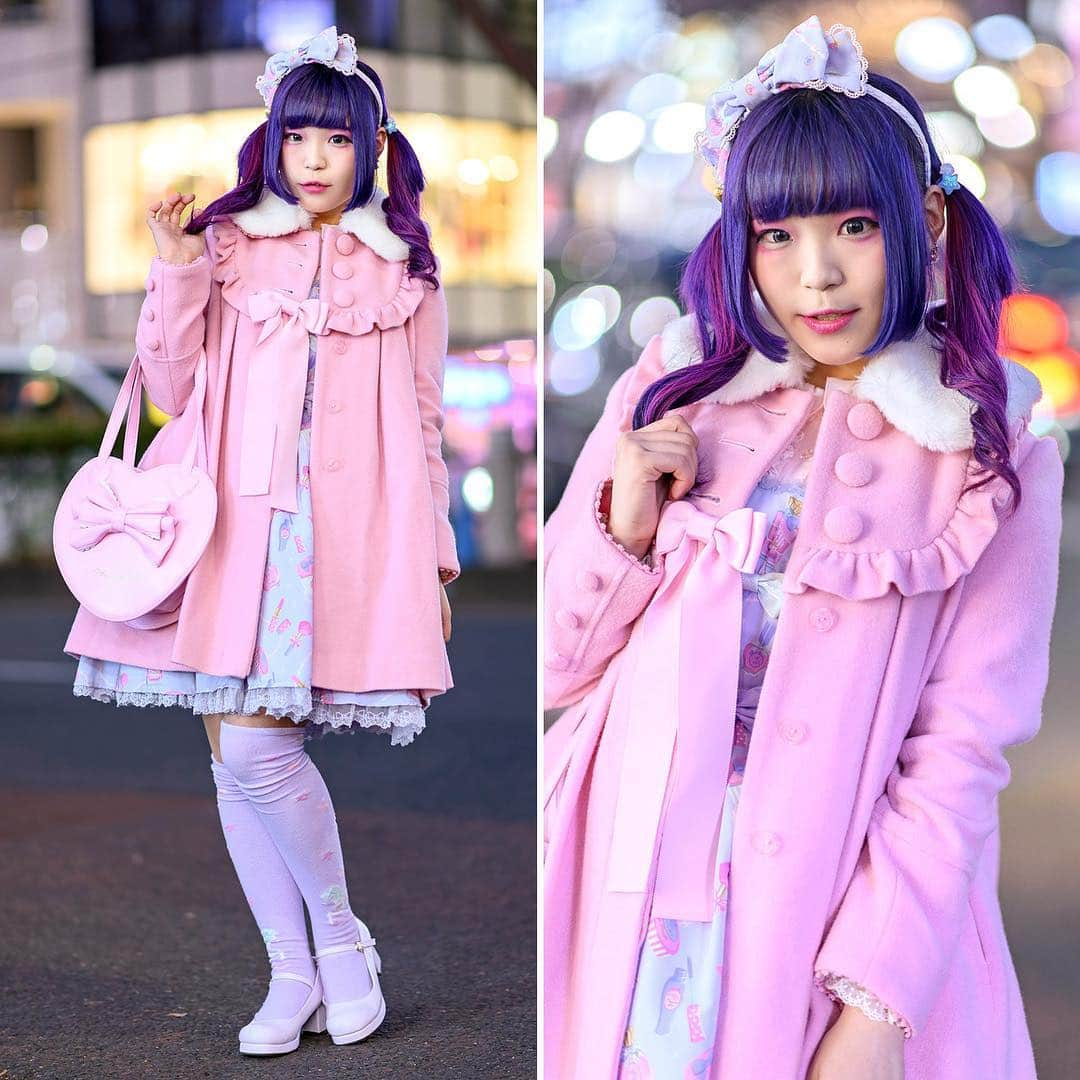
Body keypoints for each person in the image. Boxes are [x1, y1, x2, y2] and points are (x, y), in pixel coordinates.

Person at [543, 16, 1063, 1080]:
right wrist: (626, 519)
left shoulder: (991, 433)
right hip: (625, 889)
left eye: (856, 226)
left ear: (922, 219)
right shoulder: (675, 380)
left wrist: (877, 1001)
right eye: (775, 235)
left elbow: (964, 744)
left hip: (841, 907)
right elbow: (559, 663)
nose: (815, 276)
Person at [62, 26, 458, 1056]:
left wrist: (439, 558)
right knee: (234, 758)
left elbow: (424, 419)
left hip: (347, 535)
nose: (315, 158)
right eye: (299, 137)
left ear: (372, 146)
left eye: (337, 138)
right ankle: (299, 968)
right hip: (230, 530)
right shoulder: (231, 247)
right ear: (273, 143)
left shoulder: (405, 268)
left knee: (254, 751)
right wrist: (174, 263)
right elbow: (175, 383)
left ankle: (334, 939)